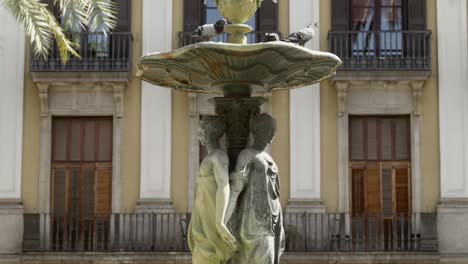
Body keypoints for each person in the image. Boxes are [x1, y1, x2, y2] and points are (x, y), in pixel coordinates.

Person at [225, 113, 285, 264]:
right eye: (268, 129)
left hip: (272, 224)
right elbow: (235, 189)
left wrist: (279, 224)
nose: (272, 133)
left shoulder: (269, 159)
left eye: (272, 129)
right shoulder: (247, 155)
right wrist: (223, 222)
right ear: (256, 130)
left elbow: (274, 196)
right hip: (254, 227)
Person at [188, 116, 238, 264]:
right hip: (202, 212)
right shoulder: (212, 156)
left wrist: (220, 222)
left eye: (203, 129)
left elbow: (224, 185)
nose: (199, 133)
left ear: (214, 131)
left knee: (207, 253)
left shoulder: (219, 155)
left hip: (211, 213)